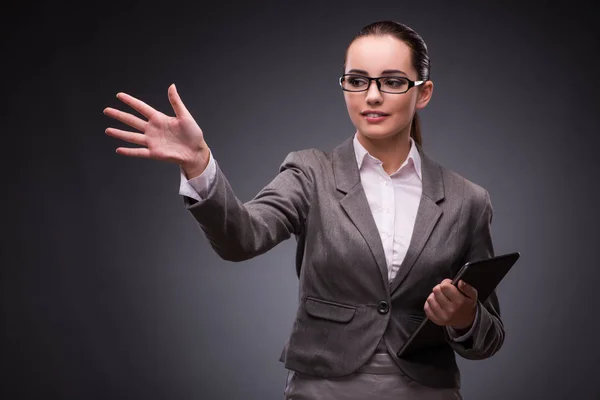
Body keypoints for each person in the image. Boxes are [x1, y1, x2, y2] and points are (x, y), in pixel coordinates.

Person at [104, 20, 503, 400]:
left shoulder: (467, 200)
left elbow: (489, 337)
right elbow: (241, 238)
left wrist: (465, 317)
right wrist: (198, 164)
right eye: (358, 81)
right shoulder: (310, 172)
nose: (373, 96)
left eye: (393, 81)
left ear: (424, 92)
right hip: (323, 386)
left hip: (427, 391)